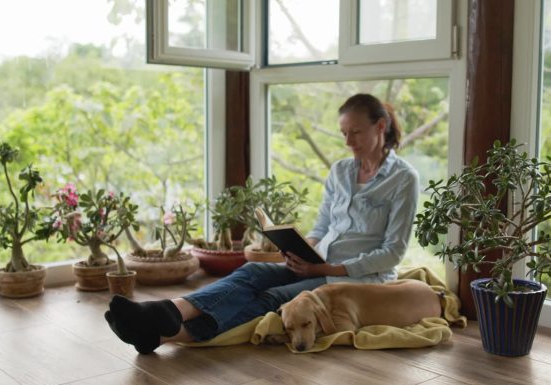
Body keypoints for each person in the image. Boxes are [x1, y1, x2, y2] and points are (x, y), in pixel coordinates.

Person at [104, 93, 420, 354]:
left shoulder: (403, 179)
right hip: (318, 265)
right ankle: (169, 311)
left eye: (356, 132)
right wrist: (301, 249)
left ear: (380, 127)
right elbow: (323, 225)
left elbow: (392, 253)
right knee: (252, 272)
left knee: (275, 297)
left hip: (357, 279)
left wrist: (326, 270)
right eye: (344, 133)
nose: (349, 141)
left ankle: (164, 335)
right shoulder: (340, 171)